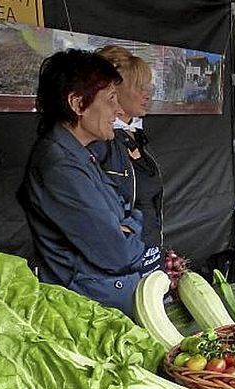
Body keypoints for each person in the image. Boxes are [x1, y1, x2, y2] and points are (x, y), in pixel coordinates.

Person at [19, 49, 148, 318]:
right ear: (77, 104)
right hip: (89, 313)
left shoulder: (80, 152)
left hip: (107, 305)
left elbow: (126, 208)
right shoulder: (59, 166)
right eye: (111, 99)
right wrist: (127, 229)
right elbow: (118, 253)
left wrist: (128, 224)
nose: (118, 109)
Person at [96, 45, 163, 274]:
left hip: (151, 252)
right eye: (139, 87)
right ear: (115, 92)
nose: (147, 93)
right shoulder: (101, 143)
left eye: (148, 86)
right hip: (125, 264)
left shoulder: (137, 134)